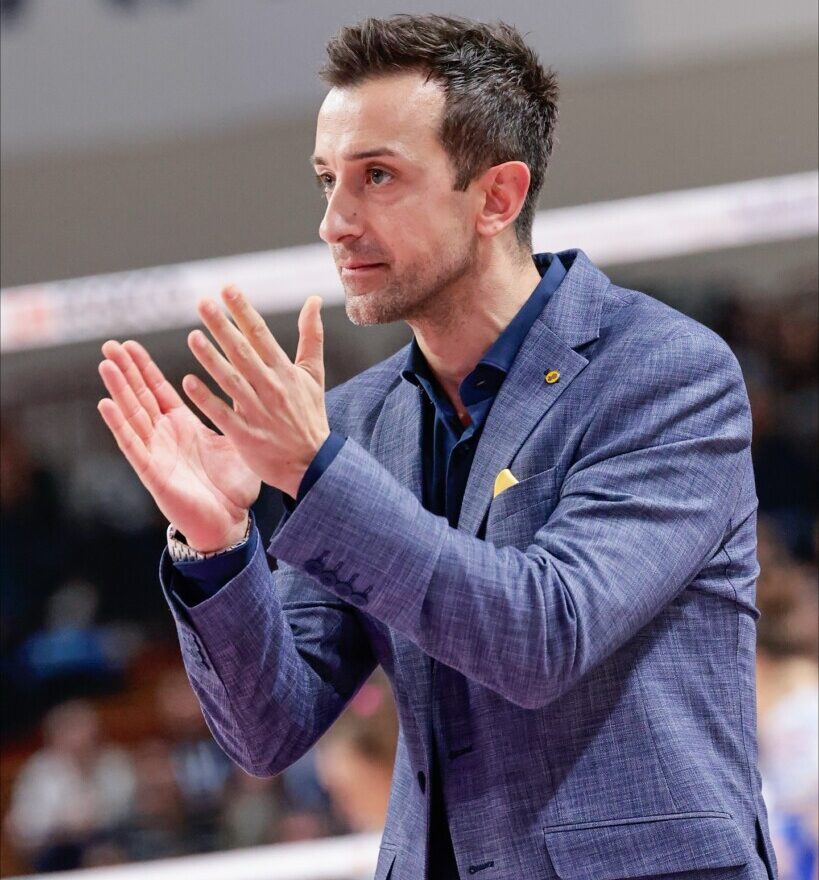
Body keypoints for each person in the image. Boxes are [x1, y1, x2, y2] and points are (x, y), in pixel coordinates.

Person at [96, 14, 778, 880]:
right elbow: (270, 731)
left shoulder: (664, 372)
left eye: (376, 176)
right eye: (327, 181)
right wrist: (216, 541)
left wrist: (316, 473)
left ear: (496, 197)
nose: (334, 222)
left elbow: (545, 635)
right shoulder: (354, 422)